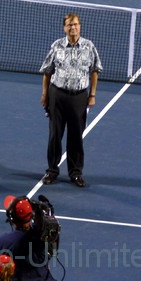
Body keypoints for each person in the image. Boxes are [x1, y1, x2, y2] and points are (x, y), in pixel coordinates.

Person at [39, 13, 103, 188]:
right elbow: (47, 72)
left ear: (80, 26)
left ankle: (75, 173)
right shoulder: (57, 46)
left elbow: (95, 71)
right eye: (69, 25)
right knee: (55, 136)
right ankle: (52, 171)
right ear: (64, 27)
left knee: (76, 137)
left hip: (79, 98)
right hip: (57, 96)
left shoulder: (89, 47)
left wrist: (92, 95)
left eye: (75, 24)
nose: (72, 28)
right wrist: (45, 95)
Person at [0, 196, 56, 281]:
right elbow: (49, 253)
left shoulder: (4, 241)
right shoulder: (41, 239)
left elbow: (2, 268)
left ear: (12, 218)